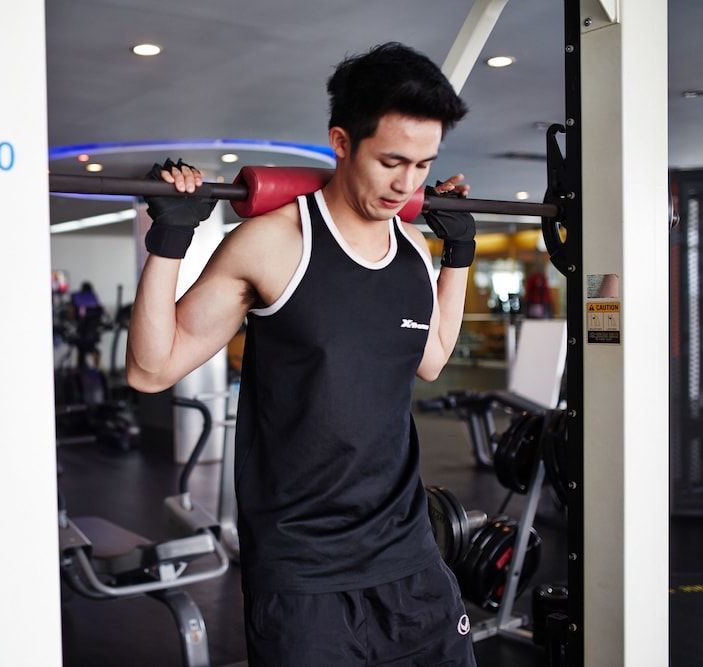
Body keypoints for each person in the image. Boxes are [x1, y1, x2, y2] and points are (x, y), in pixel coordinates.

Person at [126, 42, 477, 666]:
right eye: (391, 161)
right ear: (341, 142)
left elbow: (430, 358)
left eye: (424, 165)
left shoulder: (410, 251)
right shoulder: (272, 244)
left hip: (410, 557)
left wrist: (459, 258)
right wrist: (170, 239)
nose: (408, 184)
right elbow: (152, 370)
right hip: (304, 577)